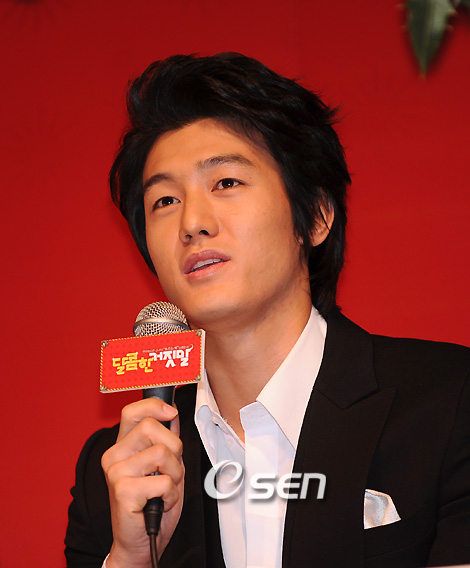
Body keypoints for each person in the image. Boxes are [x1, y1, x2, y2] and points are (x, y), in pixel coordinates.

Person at [65, 53, 470, 568]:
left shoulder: (449, 404)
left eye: (226, 183)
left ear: (316, 216)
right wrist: (132, 556)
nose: (192, 223)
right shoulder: (119, 475)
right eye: (164, 201)